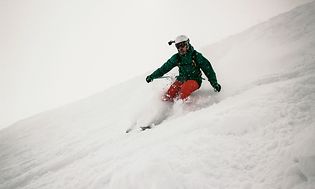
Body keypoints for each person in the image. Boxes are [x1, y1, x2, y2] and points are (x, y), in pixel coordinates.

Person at [146, 35, 221, 102]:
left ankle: (184, 112)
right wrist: (152, 76)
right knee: (169, 94)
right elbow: (164, 68)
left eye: (182, 45)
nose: (180, 48)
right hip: (181, 79)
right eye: (178, 46)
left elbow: (208, 69)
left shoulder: (196, 56)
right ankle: (166, 112)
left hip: (195, 80)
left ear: (187, 44)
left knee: (184, 91)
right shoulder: (177, 58)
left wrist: (214, 83)